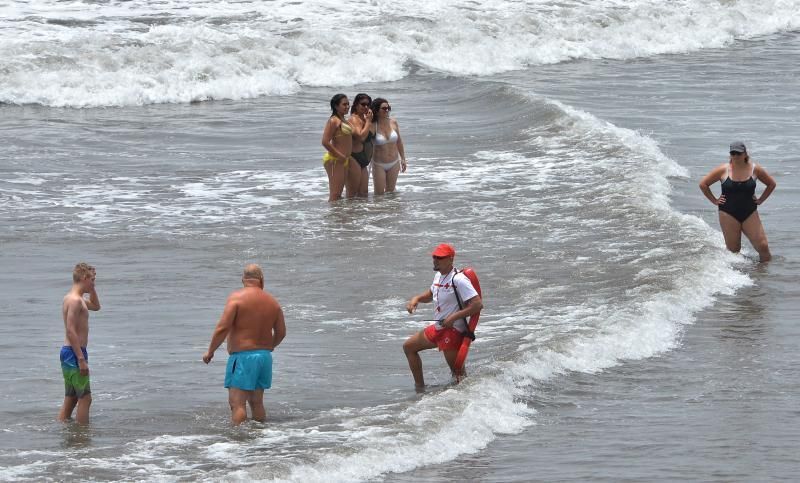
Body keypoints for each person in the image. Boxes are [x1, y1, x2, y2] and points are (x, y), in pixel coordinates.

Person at [203, 264, 286, 425]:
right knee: (257, 402)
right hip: (264, 357)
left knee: (237, 403)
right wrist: (270, 345)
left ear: (243, 279)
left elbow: (223, 327)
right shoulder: (273, 302)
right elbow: (281, 332)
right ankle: (262, 438)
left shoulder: (237, 298)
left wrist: (210, 351)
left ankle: (239, 443)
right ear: (261, 279)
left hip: (243, 357)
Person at [404, 244, 483, 389]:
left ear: (451, 259)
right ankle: (420, 389)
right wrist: (416, 299)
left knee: (459, 377)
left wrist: (453, 318)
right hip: (438, 328)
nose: (435, 260)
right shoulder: (438, 276)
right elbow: (430, 294)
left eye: (440, 257)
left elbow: (477, 305)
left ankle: (468, 403)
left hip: (453, 331)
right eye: (434, 257)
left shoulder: (459, 279)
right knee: (408, 347)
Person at [699, 141, 777, 262]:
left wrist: (761, 200)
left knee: (763, 246)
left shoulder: (755, 169)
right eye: (733, 153)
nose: (735, 156)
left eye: (738, 153)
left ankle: (765, 276)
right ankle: (739, 278)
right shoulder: (723, 170)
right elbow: (703, 184)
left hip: (750, 212)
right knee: (734, 250)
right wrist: (714, 200)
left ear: (745, 154)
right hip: (728, 213)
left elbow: (771, 184)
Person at [58, 262, 101, 424]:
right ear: (84, 278)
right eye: (92, 280)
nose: (94, 282)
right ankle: (81, 439)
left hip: (70, 352)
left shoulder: (75, 299)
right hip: (75, 353)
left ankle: (63, 428)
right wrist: (81, 359)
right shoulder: (75, 301)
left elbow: (96, 307)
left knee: (71, 397)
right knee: (85, 398)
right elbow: (70, 330)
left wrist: (92, 289)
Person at [370, 98, 407, 195]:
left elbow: (399, 141)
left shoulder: (393, 122)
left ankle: (390, 210)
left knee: (391, 193)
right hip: (379, 164)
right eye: (384, 108)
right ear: (376, 110)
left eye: (388, 108)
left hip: (394, 162)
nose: (387, 110)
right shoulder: (372, 125)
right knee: (379, 195)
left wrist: (403, 158)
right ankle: (379, 210)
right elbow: (363, 141)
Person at [321, 94, 353, 202]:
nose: (347, 106)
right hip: (335, 160)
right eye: (344, 104)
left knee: (339, 195)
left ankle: (338, 217)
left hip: (344, 160)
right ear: (336, 106)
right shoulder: (333, 121)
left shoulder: (344, 120)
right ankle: (333, 217)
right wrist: (340, 156)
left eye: (348, 104)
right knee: (335, 195)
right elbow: (325, 142)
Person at [347, 93, 375, 198]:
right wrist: (368, 121)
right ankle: (347, 213)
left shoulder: (365, 119)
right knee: (352, 193)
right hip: (354, 157)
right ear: (356, 105)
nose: (366, 107)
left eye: (368, 104)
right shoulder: (353, 119)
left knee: (364, 193)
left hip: (364, 160)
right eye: (363, 104)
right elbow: (361, 137)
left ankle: (361, 213)